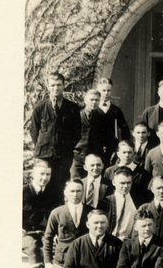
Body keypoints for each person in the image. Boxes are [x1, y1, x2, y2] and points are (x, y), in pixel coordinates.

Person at [28, 72, 82, 201]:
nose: (55, 88)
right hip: (44, 154)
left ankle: (56, 212)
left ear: (63, 86)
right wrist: (43, 145)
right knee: (42, 184)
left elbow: (77, 132)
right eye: (52, 85)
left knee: (60, 186)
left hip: (64, 155)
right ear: (48, 86)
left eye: (58, 85)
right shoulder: (40, 106)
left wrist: (67, 146)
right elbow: (34, 130)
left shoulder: (72, 108)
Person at [22, 161, 55, 268]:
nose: (44, 178)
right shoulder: (22, 191)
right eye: (41, 174)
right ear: (33, 175)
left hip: (43, 234)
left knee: (49, 250)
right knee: (33, 247)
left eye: (47, 174)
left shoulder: (53, 193)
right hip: (24, 235)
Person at [71, 89, 107, 179]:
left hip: (94, 159)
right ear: (85, 100)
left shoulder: (103, 117)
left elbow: (107, 138)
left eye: (96, 100)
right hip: (78, 157)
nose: (94, 102)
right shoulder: (77, 116)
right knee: (76, 181)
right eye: (91, 99)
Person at [95, 78, 131, 163]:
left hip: (112, 150)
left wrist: (121, 148)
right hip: (95, 149)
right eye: (103, 90)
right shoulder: (93, 110)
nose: (106, 93)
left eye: (109, 90)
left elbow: (125, 130)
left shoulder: (116, 110)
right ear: (98, 90)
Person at [102, 167, 139, 241]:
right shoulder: (106, 201)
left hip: (129, 243)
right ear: (114, 182)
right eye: (122, 183)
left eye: (128, 183)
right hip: (109, 242)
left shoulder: (137, 201)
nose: (126, 186)